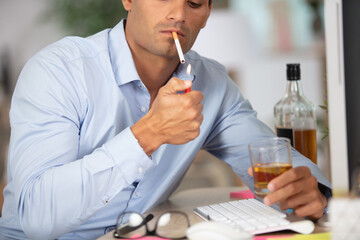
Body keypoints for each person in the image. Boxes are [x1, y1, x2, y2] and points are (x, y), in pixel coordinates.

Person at [0, 0, 331, 239]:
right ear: (128, 0)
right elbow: (36, 218)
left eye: (195, 3)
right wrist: (147, 135)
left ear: (207, 13)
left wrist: (310, 191)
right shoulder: (58, 72)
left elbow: (269, 161)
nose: (178, 15)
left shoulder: (211, 83)